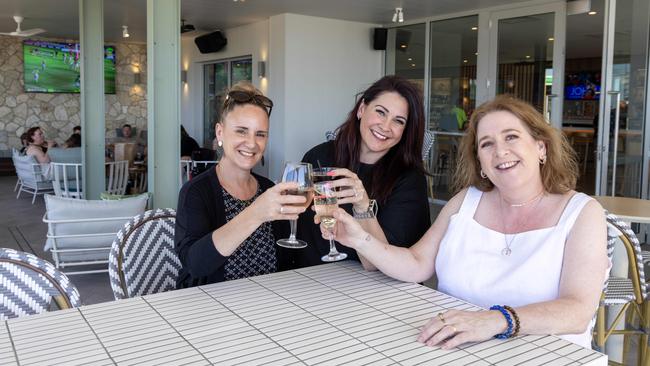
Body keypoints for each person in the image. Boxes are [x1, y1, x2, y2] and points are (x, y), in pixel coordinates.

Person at [325, 95, 608, 350]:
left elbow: (577, 311)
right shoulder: (467, 200)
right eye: (487, 144)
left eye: (511, 137)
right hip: (457, 350)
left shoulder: (582, 212)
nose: (500, 151)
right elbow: (415, 263)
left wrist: (494, 321)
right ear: (481, 163)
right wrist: (358, 238)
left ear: (541, 148)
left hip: (546, 355)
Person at [175, 82, 306, 288]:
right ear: (220, 133)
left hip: (270, 305)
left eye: (260, 134)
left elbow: (290, 259)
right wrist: (255, 213)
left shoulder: (268, 188)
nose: (252, 143)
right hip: (212, 309)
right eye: (242, 131)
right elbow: (195, 265)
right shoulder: (195, 192)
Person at [294, 75, 430, 269]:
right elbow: (298, 231)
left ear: (405, 131)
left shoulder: (409, 179)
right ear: (361, 109)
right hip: (308, 281)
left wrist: (362, 206)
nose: (385, 126)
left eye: (398, 121)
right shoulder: (319, 157)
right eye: (381, 112)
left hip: (374, 291)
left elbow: (378, 265)